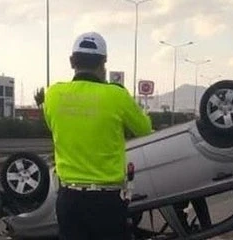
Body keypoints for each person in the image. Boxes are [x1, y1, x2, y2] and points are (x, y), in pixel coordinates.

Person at [43, 32, 153, 240]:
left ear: (71, 61)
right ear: (103, 64)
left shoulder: (53, 95)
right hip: (107, 201)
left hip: (68, 199)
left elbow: (52, 126)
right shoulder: (116, 95)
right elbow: (145, 129)